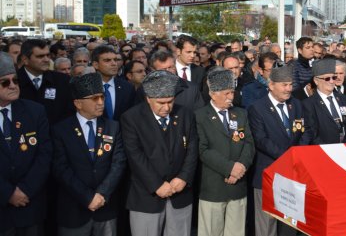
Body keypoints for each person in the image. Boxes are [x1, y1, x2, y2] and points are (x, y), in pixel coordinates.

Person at [121, 71, 198, 236]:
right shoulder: (131, 118)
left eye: (170, 101)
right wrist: (156, 184)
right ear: (148, 98)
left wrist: (184, 177)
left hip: (180, 195)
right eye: (161, 103)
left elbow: (192, 148)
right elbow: (135, 156)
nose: (167, 107)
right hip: (146, 198)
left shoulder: (185, 114)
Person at [51, 73, 127, 236]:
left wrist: (101, 194)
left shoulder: (113, 127)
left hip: (105, 207)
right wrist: (87, 197)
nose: (100, 102)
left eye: (102, 97)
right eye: (94, 98)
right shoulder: (61, 130)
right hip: (73, 210)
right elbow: (61, 168)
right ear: (78, 103)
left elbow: (118, 164)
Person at [195, 69, 254, 236]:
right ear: (213, 94)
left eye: (232, 92)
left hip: (238, 186)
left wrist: (241, 167)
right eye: (226, 93)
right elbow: (203, 149)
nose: (231, 97)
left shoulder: (240, 113)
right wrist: (229, 168)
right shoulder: (200, 116)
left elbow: (249, 143)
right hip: (213, 187)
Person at [0, 52, 52, 236]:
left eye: (15, 80)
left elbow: (44, 155)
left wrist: (25, 190)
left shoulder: (35, 111)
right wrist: (8, 193)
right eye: (5, 82)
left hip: (30, 206)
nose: (13, 86)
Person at [248, 66, 303, 236]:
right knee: (266, 223)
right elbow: (261, 140)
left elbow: (304, 131)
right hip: (268, 172)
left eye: (290, 84)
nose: (289, 89)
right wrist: (287, 156)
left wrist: (298, 154)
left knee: (290, 222)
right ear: (271, 85)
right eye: (284, 85)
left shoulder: (296, 104)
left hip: (292, 173)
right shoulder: (257, 108)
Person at [17, 39, 74, 125]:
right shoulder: (12, 82)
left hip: (55, 136)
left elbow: (70, 112)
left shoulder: (63, 80)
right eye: (40, 56)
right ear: (25, 59)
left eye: (48, 55)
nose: (46, 59)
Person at [302, 59, 346, 144]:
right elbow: (312, 133)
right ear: (316, 81)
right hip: (323, 152)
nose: (331, 81)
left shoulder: (343, 99)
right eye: (327, 78)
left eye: (333, 77)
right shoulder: (308, 104)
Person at [91, 45, 135, 121]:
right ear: (96, 65)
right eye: (107, 60)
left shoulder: (128, 87)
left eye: (115, 60)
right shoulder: (87, 88)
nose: (114, 63)